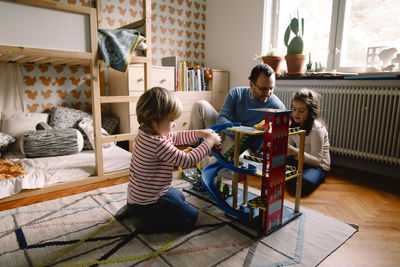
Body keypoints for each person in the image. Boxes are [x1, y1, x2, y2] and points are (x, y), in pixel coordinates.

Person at [127, 87, 221, 233]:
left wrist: (199, 133)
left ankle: (139, 211)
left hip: (141, 197)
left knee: (180, 196)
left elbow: (176, 136)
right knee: (192, 217)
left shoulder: (146, 133)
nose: (174, 124)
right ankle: (148, 222)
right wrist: (209, 142)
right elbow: (188, 160)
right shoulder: (157, 144)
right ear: (155, 120)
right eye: (171, 120)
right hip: (149, 204)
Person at [189, 63, 285, 155]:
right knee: (200, 106)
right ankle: (193, 151)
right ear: (251, 85)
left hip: (243, 146)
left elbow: (281, 135)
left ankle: (206, 162)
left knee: (237, 163)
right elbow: (221, 118)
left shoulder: (278, 107)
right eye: (263, 89)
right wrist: (237, 131)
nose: (268, 93)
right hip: (226, 132)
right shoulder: (236, 93)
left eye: (271, 89)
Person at [285, 88, 331, 197]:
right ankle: (290, 179)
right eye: (294, 109)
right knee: (275, 167)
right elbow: (289, 149)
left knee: (300, 186)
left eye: (301, 111)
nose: (296, 114)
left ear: (310, 111)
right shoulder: (293, 124)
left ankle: (293, 180)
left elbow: (316, 161)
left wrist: (295, 152)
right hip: (300, 161)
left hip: (317, 166)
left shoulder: (317, 129)